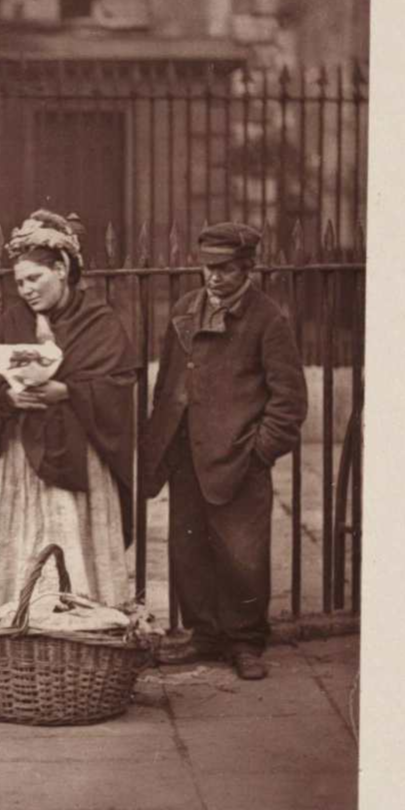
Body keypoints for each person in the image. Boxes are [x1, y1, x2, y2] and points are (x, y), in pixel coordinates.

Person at [142, 220, 307, 680]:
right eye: (207, 267)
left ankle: (245, 642)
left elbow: (290, 401)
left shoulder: (267, 319)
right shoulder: (185, 309)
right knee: (188, 548)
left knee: (242, 554)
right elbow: (167, 381)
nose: (213, 277)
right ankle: (204, 635)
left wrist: (258, 453)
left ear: (248, 268)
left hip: (238, 458)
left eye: (225, 269)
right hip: (186, 455)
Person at [0, 209, 137, 614]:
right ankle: (17, 618)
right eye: (20, 282)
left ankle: (81, 620)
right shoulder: (12, 320)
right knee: (21, 548)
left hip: (78, 458)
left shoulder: (99, 322)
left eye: (34, 278)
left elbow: (118, 385)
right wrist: (7, 398)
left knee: (70, 540)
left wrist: (69, 391)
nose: (26, 290)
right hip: (19, 462)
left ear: (61, 269)